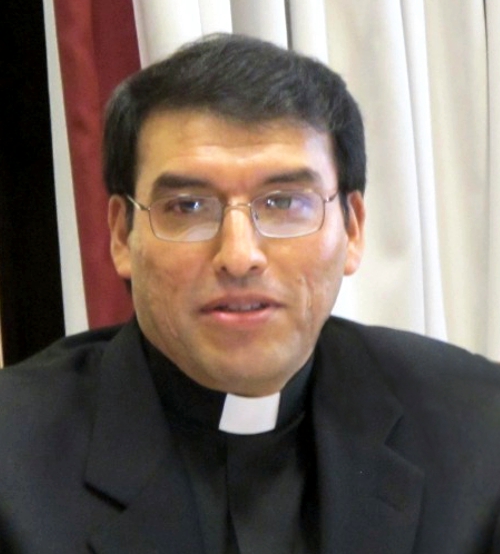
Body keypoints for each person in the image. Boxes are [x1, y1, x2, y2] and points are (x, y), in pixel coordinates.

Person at [0, 33, 500, 554]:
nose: (239, 256)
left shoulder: (478, 430)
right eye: (188, 207)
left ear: (352, 229)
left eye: (283, 203)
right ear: (122, 236)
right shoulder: (12, 465)